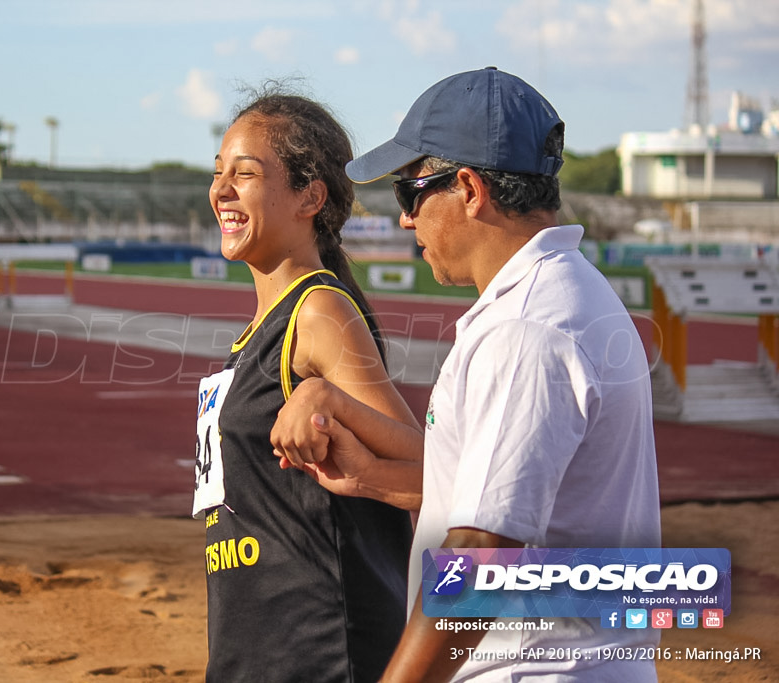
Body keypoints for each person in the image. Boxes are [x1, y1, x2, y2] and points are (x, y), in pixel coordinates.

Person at [271, 67, 661, 681]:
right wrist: (373, 477)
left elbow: (484, 551)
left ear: (471, 187)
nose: (405, 219)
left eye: (410, 193)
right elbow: (525, 510)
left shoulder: (525, 329)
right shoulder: (568, 294)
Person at [195, 86, 423, 682]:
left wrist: (325, 398)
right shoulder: (257, 333)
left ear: (309, 197)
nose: (220, 190)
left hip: (322, 650)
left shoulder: (319, 312)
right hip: (256, 646)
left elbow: (432, 466)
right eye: (218, 173)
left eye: (244, 174)